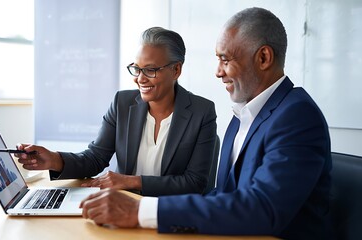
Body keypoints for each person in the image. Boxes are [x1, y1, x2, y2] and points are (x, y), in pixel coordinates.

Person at [79, 7, 332, 239]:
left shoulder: (296, 116)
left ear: (263, 58)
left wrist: (142, 210)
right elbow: (222, 195)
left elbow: (263, 209)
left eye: (225, 59)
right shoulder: (242, 116)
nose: (218, 71)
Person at [17, 27, 218, 197]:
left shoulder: (202, 112)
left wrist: (131, 182)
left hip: (167, 211)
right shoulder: (122, 103)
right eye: (136, 69)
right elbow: (96, 158)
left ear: (176, 70)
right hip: (120, 205)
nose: (140, 78)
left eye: (150, 70)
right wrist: (54, 159)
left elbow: (195, 182)